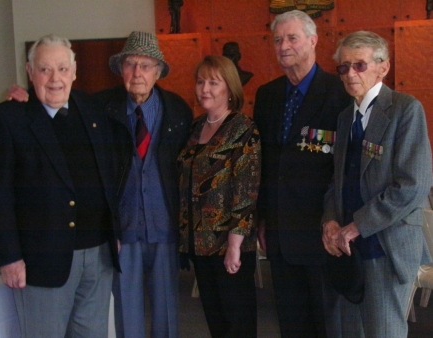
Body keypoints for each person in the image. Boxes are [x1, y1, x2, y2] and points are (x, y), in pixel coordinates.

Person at [0, 34, 120, 338]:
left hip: (98, 256)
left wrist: (116, 230)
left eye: (62, 68)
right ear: (30, 74)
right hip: (41, 260)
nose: (55, 78)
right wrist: (8, 256)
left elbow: (109, 172)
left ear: (74, 71)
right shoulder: (6, 118)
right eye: (44, 70)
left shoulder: (92, 108)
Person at [322, 30, 433, 338]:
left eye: (359, 65)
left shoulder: (405, 109)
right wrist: (330, 221)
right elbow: (337, 180)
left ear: (383, 67)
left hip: (387, 245)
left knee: (383, 332)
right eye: (343, 67)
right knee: (349, 331)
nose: (349, 74)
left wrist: (358, 225)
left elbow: (413, 185)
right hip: (348, 248)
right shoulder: (346, 118)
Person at [253, 10, 351, 338]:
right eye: (278, 39)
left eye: (292, 38)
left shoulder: (340, 94)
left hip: (321, 233)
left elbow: (345, 169)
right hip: (279, 233)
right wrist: (263, 219)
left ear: (313, 40)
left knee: (326, 326)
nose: (283, 46)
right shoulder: (266, 96)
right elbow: (265, 166)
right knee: (291, 326)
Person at [95, 31, 193, 338]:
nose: (137, 72)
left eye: (146, 65)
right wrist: (24, 100)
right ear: (121, 69)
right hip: (123, 229)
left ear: (158, 71)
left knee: (166, 315)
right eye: (130, 64)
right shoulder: (100, 109)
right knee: (127, 315)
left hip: (165, 229)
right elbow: (58, 107)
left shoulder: (178, 110)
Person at [178, 55, 261, 338]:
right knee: (216, 321)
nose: (205, 89)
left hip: (230, 245)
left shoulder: (243, 129)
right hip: (200, 243)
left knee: (238, 321)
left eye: (214, 82)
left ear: (230, 88)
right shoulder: (195, 127)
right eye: (201, 81)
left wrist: (235, 244)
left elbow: (246, 190)